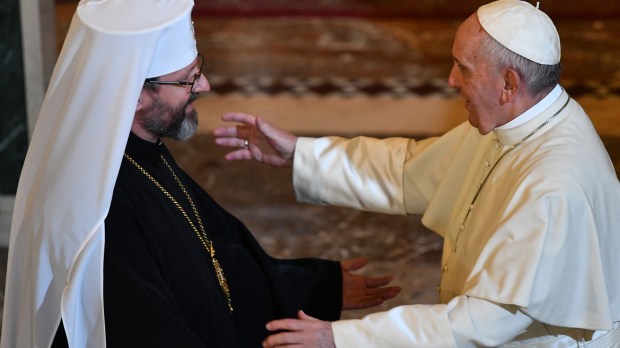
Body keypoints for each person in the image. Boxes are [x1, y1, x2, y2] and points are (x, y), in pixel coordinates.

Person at [213, 0, 620, 346]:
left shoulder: (553, 183)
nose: (450, 80)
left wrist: (341, 337)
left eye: (463, 68)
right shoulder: (515, 123)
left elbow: (482, 321)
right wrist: (299, 154)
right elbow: (408, 170)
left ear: (508, 83)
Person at [0, 1, 401, 347]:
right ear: (135, 95)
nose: (204, 85)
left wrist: (314, 288)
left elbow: (210, 256)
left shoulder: (141, 152)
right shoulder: (98, 214)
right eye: (188, 78)